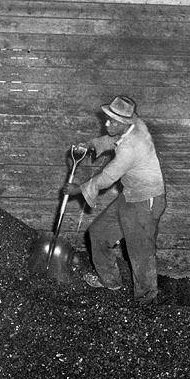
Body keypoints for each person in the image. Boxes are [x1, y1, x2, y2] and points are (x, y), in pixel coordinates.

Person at [64, 95, 166, 303]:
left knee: (140, 252)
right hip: (130, 195)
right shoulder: (133, 125)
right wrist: (92, 144)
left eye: (112, 121)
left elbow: (108, 177)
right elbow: (115, 138)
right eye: (107, 118)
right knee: (98, 233)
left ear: (125, 123)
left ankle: (147, 301)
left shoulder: (132, 147)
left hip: (146, 201)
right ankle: (111, 282)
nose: (106, 123)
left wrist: (77, 190)